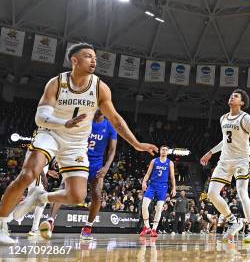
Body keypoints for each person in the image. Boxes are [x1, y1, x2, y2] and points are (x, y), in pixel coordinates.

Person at [0, 43, 157, 245]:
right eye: (88, 56)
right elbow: (41, 117)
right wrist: (63, 123)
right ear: (75, 60)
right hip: (51, 133)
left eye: (95, 57)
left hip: (76, 143)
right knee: (28, 174)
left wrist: (136, 144)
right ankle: (2, 224)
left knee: (76, 195)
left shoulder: (100, 88)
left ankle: (41, 198)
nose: (94, 60)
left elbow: (116, 120)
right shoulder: (56, 83)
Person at [42, 109, 117, 240]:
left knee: (97, 195)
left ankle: (88, 227)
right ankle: (50, 221)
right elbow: (67, 138)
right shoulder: (84, 120)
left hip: (96, 164)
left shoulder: (110, 126)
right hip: (79, 158)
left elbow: (112, 150)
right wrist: (57, 157)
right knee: (64, 187)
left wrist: (106, 166)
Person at [200, 89, 250, 243]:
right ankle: (233, 221)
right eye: (231, 95)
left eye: (236, 96)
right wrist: (210, 152)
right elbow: (225, 141)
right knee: (212, 194)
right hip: (225, 160)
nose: (231, 97)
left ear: (242, 102)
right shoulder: (223, 118)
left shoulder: (247, 118)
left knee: (242, 192)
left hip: (242, 159)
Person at [140, 145, 177, 237]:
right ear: (160, 151)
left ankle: (154, 229)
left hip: (163, 187)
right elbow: (148, 173)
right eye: (162, 149)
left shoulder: (170, 163)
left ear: (168, 152)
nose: (164, 151)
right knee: (144, 205)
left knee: (159, 208)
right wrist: (144, 182)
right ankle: (147, 227)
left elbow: (172, 177)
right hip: (152, 185)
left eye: (166, 150)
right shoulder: (154, 161)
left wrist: (174, 188)